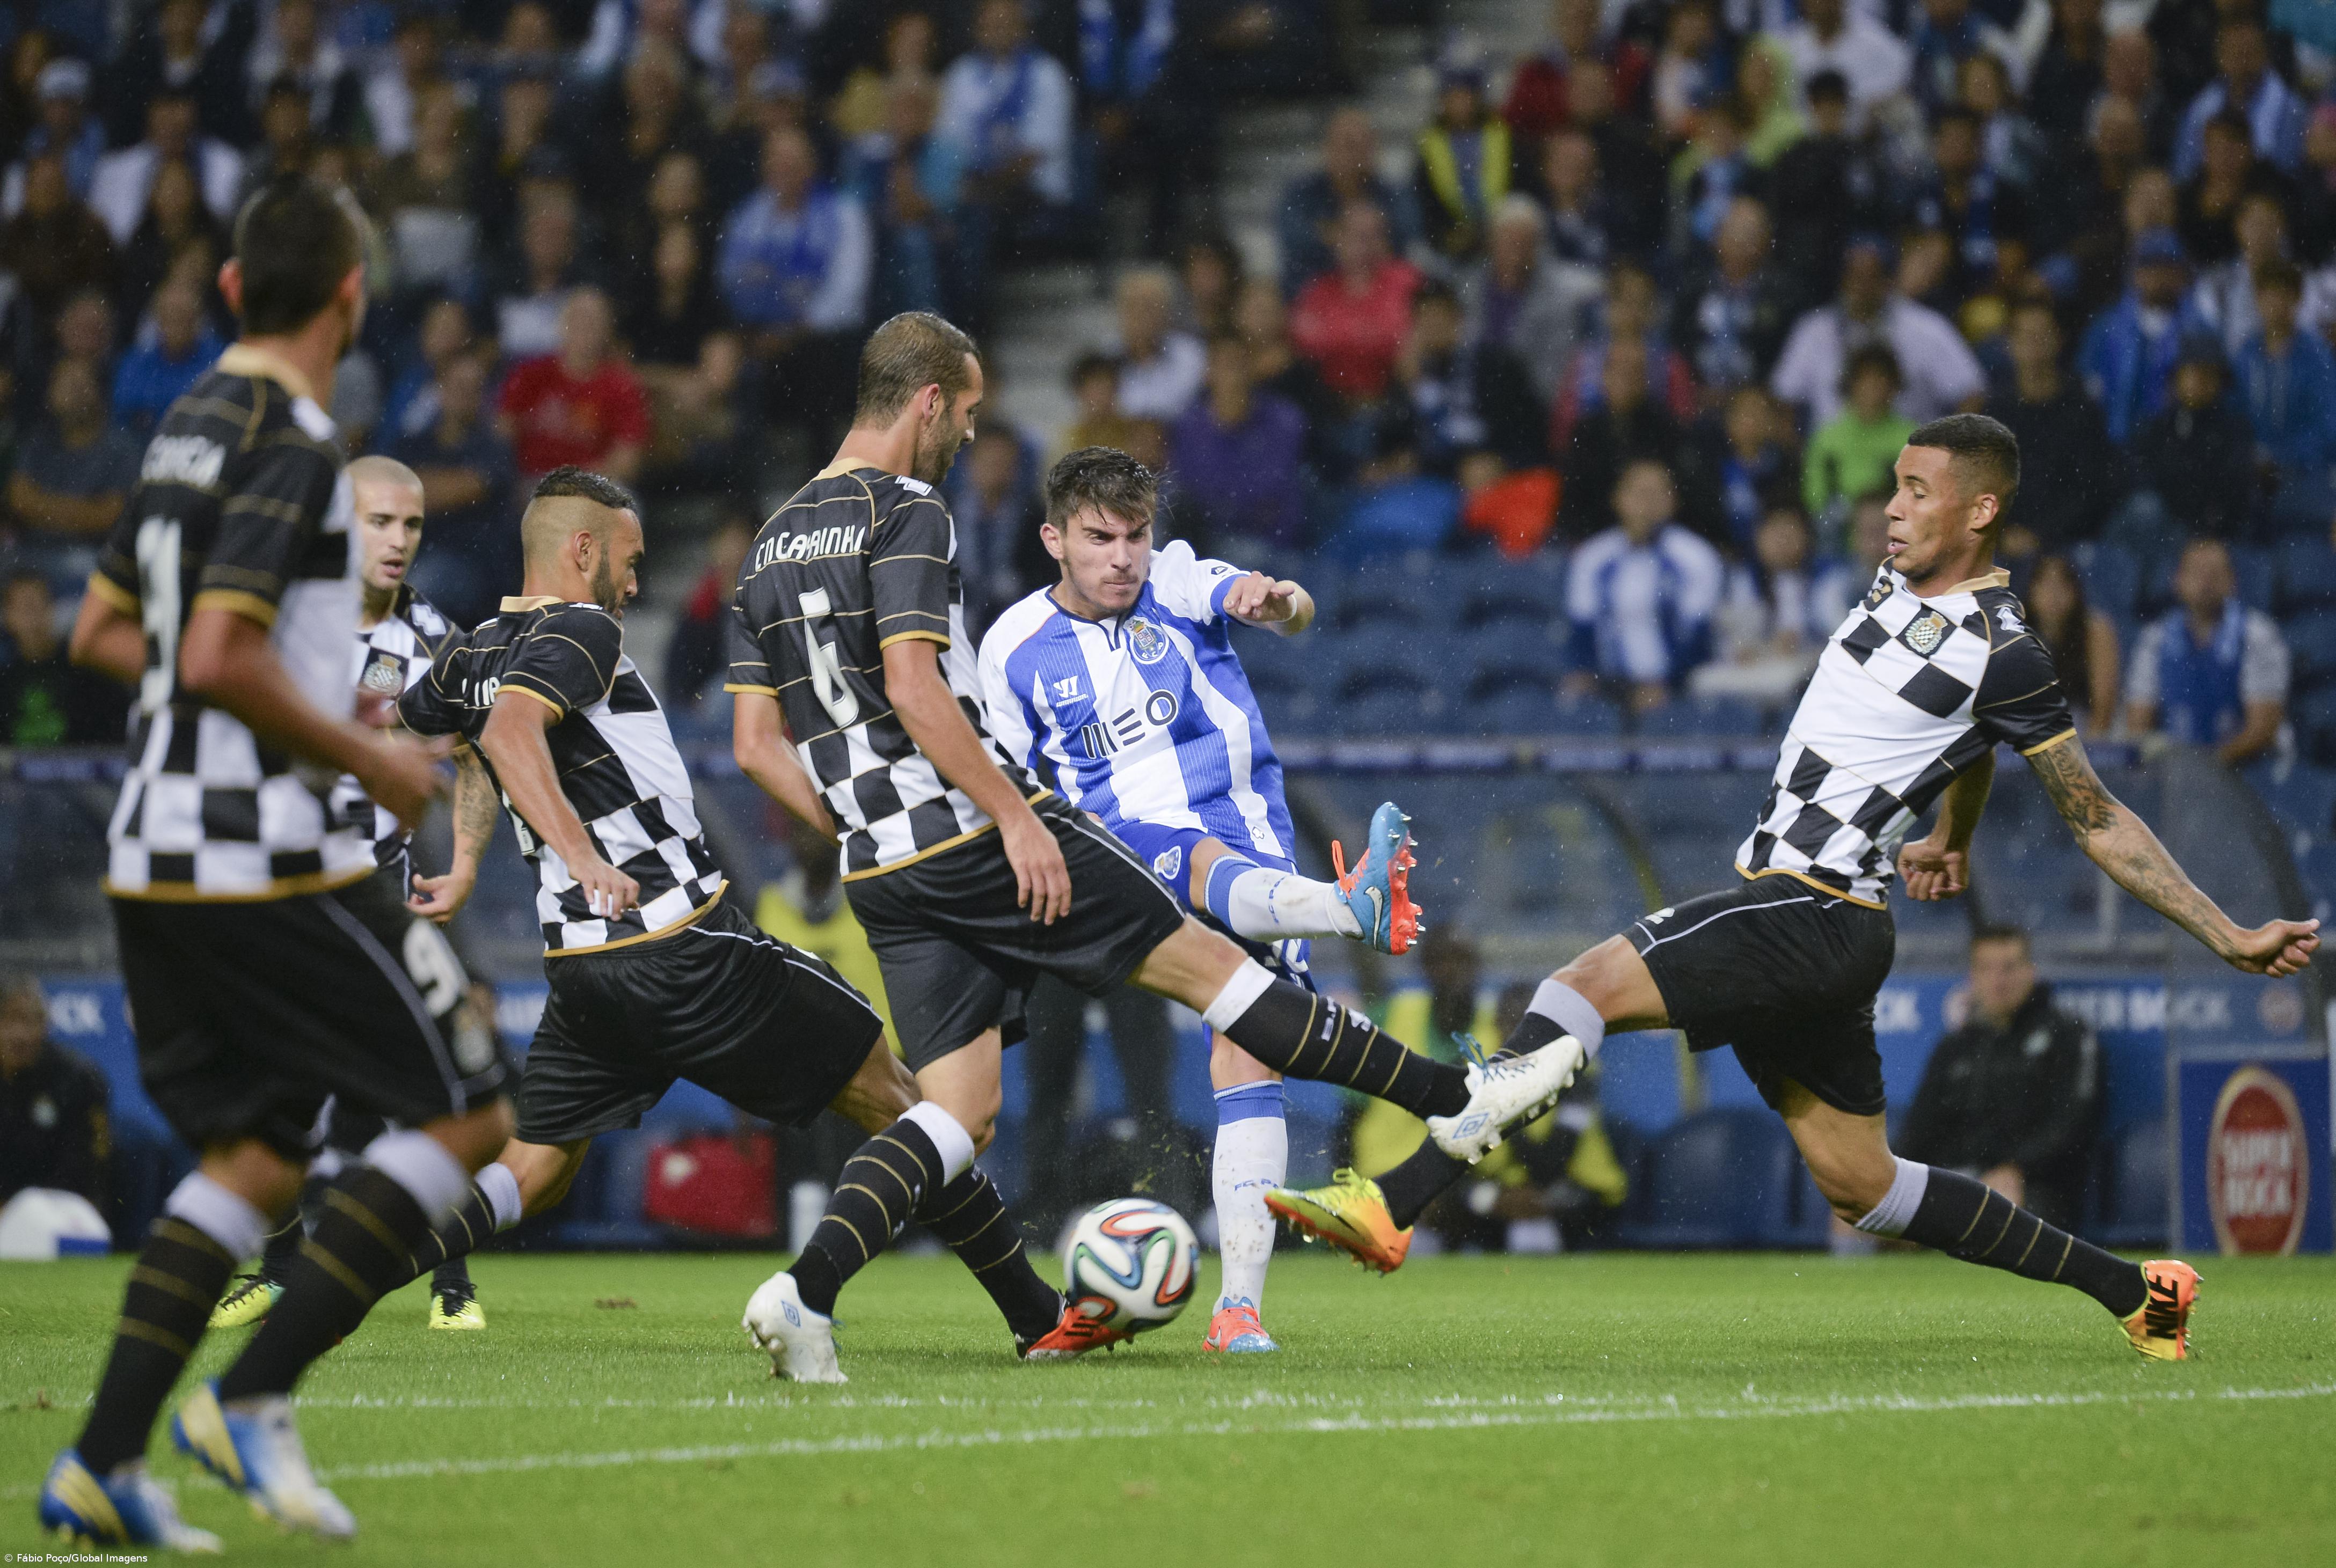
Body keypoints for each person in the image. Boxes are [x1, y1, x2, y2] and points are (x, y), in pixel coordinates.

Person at [1273, 414, 2317, 1366]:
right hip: (1826, 923)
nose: (1891, 508)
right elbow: (1971, 748)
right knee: (1864, 1184)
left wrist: (2223, 932)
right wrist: (1949, 832)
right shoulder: (1894, 584)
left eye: (1916, 490)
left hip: (1810, 906)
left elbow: (2094, 815)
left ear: (1981, 509)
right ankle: (2139, 1291)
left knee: (1577, 988)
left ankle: (1394, 1203)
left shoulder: (2004, 651)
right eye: (1893, 488)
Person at [724, 313, 1579, 1381]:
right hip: (974, 829)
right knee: (1222, 976)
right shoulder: (907, 509)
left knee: (955, 1114)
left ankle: (812, 1294)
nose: (969, 433)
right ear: (931, 399)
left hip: (880, 865)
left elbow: (756, 747)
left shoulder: (770, 540)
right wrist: (1020, 816)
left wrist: (859, 825)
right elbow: (914, 688)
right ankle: (1458, 1103)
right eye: (973, 411)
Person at [39, 174, 511, 1550]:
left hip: (153, 845)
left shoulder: (184, 426)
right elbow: (214, 656)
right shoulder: (301, 440)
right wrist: (363, 754)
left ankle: (100, 1461)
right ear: (354, 300)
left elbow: (109, 636)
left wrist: (314, 696)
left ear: (237, 291)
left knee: (253, 1153)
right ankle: (250, 1394)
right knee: (471, 1109)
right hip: (273, 856)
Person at [388, 468, 1036, 1367]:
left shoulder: (470, 653)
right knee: (909, 1108)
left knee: (531, 1170)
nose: (633, 584)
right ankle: (1031, 1312)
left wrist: (463, 861)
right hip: (681, 944)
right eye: (627, 561)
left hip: (581, 970)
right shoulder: (577, 627)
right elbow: (502, 737)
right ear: (582, 552)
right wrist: (579, 852)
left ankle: (346, 1272)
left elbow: (447, 732)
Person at [980, 445, 1425, 1353]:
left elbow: (1289, 609)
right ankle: (1348, 909)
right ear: (1053, 538)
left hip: (1249, 848)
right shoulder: (1011, 647)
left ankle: (1238, 1311)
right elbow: (1005, 779)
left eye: (1135, 535)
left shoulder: (1178, 582)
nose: (1122, 557)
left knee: (1246, 1065)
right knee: (1165, 847)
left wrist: (1276, 599)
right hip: (1111, 862)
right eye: (1099, 538)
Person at [207, 455, 487, 1335]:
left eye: (411, 525)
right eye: (381, 523)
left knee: (435, 1087)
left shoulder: (437, 639)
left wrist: (469, 860)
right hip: (280, 889)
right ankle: (281, 1266)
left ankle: (453, 1284)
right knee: (253, 1089)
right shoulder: (281, 623)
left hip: (381, 898)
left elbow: (477, 753)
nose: (400, 540)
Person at [1897, 927, 2103, 1231]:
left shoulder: (2068, 1034)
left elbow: (2074, 1124)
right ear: (1972, 977)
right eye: (1986, 969)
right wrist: (1890, 1180)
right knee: (1860, 1210)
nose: (1998, 981)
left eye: (2009, 968)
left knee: (1997, 1200)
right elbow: (1919, 1126)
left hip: (2034, 1185)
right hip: (1954, 1178)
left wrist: (2017, 1167)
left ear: (2030, 972)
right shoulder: (1955, 1046)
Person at [1563, 458, 1725, 712]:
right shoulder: (1593, 558)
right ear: (1617, 498)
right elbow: (1583, 631)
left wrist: (1668, 684)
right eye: (1639, 492)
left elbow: (1697, 636)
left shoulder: (1696, 556)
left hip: (1680, 685)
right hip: (1608, 685)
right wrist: (1587, 675)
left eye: (1658, 493)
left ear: (1673, 502)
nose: (1647, 502)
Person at [1772, 238, 1986, 428]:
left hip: (1907, 459)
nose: (1861, 288)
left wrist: (1946, 454)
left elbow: (1971, 392)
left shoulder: (1925, 328)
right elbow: (1782, 398)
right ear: (1843, 281)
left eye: (1870, 277)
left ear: (1888, 281)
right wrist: (1804, 458)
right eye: (1854, 277)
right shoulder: (1814, 331)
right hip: (1836, 461)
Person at [2124, 536, 2289, 765]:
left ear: (2233, 582)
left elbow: (2262, 730)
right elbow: (2137, 725)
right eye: (2196, 572)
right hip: (2177, 772)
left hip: (2250, 770)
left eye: (2215, 573)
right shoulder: (2155, 638)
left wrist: (2204, 770)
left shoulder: (2258, 635)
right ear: (2177, 581)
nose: (2206, 582)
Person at [1986, 301, 2119, 556]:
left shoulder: (2082, 408)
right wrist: (2005, 534)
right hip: (2006, 542)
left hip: (2070, 541)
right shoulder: (1995, 411)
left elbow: (2092, 488)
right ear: (2008, 344)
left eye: (2042, 334)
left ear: (2059, 340)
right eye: (2025, 335)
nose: (2034, 342)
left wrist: (2042, 536)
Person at [8, 358, 141, 592]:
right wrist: (82, 512)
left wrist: (44, 509)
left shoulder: (121, 447)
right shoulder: (38, 442)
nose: (73, 391)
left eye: (81, 383)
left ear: (99, 391)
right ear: (50, 393)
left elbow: (113, 515)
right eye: (65, 383)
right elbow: (19, 500)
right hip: (31, 553)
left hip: (92, 554)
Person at [496, 288, 649, 487]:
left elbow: (626, 462)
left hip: (592, 488)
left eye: (593, 321)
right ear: (561, 325)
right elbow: (502, 432)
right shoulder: (530, 375)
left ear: (608, 331)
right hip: (529, 484)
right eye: (577, 318)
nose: (584, 326)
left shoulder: (622, 385)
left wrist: (569, 487)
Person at [0, 973, 110, 1212]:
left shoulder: (78, 1079)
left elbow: (88, 1168)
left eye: (34, 1021)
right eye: (12, 1019)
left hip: (60, 1211)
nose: (23, 1035)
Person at [0, 570, 127, 744]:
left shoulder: (86, 677)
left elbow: (108, 738)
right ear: (8, 616)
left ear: (52, 608)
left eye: (39, 605)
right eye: (25, 608)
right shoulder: (5, 682)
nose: (33, 617)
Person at [1803, 344, 1916, 524]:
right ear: (1850, 384)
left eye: (1879, 379)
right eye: (1864, 379)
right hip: (1839, 533)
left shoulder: (1912, 438)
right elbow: (1814, 500)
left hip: (1892, 527)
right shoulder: (1827, 437)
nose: (1871, 387)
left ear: (1894, 386)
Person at [2024, 553, 2122, 735]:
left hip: (2089, 738)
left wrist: (2081, 760)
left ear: (2076, 591)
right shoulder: (2015, 634)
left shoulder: (2096, 631)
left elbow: (2103, 709)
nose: (2054, 594)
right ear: (2031, 591)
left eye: (2062, 585)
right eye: (2046, 585)